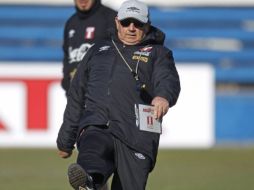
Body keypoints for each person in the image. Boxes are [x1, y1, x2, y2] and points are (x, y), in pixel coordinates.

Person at [57, 0, 181, 189]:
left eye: (137, 23)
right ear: (117, 23)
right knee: (92, 155)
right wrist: (66, 139)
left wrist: (163, 96)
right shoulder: (98, 50)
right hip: (97, 125)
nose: (131, 28)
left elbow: (168, 79)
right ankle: (89, 182)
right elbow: (76, 94)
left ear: (147, 24)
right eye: (126, 22)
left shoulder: (159, 53)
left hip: (137, 136)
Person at [61, 0, 116, 93]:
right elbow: (67, 56)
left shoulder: (111, 18)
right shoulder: (71, 22)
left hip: (102, 94)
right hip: (76, 95)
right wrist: (67, 82)